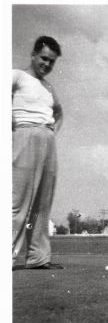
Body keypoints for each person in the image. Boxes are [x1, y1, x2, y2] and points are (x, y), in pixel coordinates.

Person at [12, 36, 64, 269]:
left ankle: (38, 257)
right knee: (17, 201)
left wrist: (52, 131)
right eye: (44, 58)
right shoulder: (16, 76)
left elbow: (59, 113)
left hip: (47, 139)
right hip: (24, 135)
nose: (47, 65)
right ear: (33, 54)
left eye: (51, 61)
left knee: (43, 204)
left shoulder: (48, 87)